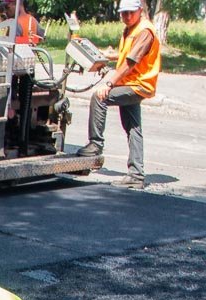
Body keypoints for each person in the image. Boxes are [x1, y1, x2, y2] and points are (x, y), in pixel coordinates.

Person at [75, 0, 160, 189]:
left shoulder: (144, 31)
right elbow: (126, 54)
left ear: (139, 10)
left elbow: (131, 62)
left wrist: (109, 82)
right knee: (133, 128)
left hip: (137, 84)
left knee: (99, 97)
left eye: (131, 13)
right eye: (124, 13)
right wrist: (108, 55)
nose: (127, 17)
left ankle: (95, 145)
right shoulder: (132, 29)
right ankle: (136, 175)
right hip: (133, 83)